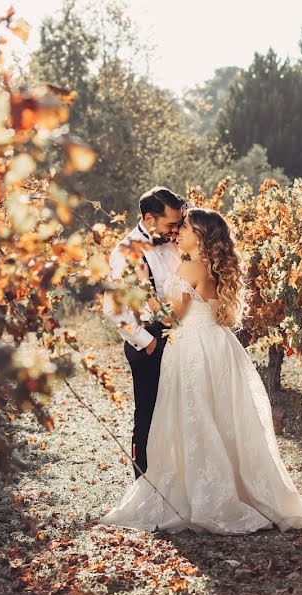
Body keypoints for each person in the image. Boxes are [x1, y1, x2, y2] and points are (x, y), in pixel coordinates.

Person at [101, 207, 302, 534]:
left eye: (184, 228)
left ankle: (205, 494)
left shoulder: (188, 267)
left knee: (196, 417)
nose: (178, 233)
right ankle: (236, 485)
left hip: (193, 348)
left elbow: (170, 318)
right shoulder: (210, 267)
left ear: (199, 235)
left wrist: (143, 287)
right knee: (220, 416)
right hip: (218, 345)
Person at [102, 186, 185, 481]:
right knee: (147, 416)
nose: (176, 229)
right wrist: (147, 342)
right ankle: (145, 485)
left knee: (179, 414)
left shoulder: (175, 242)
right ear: (150, 219)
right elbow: (114, 309)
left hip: (182, 339)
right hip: (148, 342)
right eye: (171, 224)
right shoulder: (126, 252)